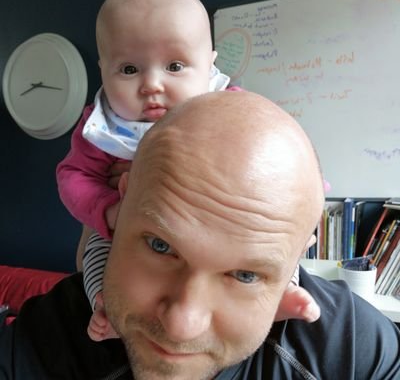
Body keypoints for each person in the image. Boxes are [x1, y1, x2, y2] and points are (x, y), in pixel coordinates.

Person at [2, 91, 399, 380]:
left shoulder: (350, 350)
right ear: (122, 209)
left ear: (294, 261)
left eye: (245, 275)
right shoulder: (46, 343)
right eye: (160, 246)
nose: (181, 325)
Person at [56, 0, 320, 341]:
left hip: (223, 224)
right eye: (129, 69)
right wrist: (107, 210)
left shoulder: (231, 108)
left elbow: (281, 157)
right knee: (98, 251)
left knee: (268, 249)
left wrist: (301, 205)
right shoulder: (103, 127)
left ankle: (280, 294)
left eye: (175, 65)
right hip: (130, 228)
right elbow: (73, 176)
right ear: (103, 69)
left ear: (209, 64)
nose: (152, 84)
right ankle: (108, 308)